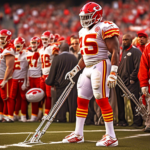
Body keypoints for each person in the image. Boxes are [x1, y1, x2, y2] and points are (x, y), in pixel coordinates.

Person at [62, 2, 120, 147]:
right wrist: (75, 70)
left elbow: (115, 51)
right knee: (81, 100)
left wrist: (113, 72)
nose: (84, 19)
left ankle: (111, 136)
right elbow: (85, 57)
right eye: (84, 16)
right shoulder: (82, 31)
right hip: (87, 67)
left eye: (88, 16)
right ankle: (78, 133)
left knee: (101, 99)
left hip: (101, 64)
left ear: (96, 15)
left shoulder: (104, 27)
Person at [46, 42, 78, 122]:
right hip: (72, 84)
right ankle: (72, 119)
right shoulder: (74, 58)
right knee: (72, 103)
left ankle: (61, 118)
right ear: (68, 49)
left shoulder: (57, 58)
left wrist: (50, 82)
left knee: (60, 102)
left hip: (60, 85)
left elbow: (53, 71)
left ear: (60, 49)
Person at [116, 34, 143, 127]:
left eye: (126, 40)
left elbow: (138, 66)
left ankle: (137, 122)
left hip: (132, 82)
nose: (124, 41)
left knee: (134, 101)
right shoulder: (122, 51)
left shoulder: (135, 51)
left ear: (131, 40)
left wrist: (132, 78)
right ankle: (122, 120)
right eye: (123, 40)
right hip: (120, 81)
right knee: (119, 101)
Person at [9, 37, 28, 122]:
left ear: (22, 45)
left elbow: (28, 69)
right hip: (13, 79)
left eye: (19, 45)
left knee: (23, 98)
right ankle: (13, 115)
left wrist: (26, 81)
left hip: (21, 79)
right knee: (13, 98)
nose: (17, 47)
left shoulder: (26, 54)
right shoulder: (11, 53)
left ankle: (23, 116)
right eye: (16, 45)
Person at [0, 29, 15, 122]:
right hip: (0, 76)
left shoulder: (9, 49)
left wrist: (5, 80)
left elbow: (9, 67)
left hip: (5, 78)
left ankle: (9, 116)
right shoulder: (2, 49)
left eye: (2, 38)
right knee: (1, 98)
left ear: (8, 38)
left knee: (7, 98)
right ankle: (1, 115)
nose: (0, 40)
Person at [138, 41, 150, 132]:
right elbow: (143, 66)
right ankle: (149, 124)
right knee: (149, 103)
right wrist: (144, 84)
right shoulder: (148, 47)